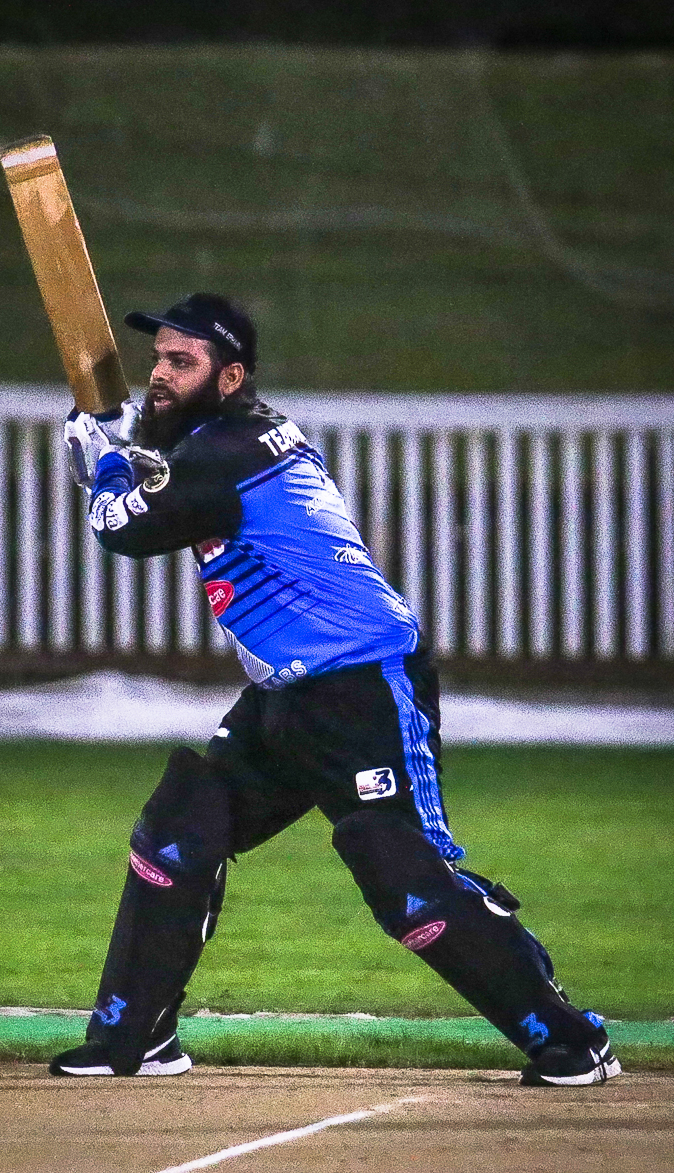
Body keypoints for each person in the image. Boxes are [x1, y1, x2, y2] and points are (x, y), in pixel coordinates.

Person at [52, 293, 620, 1087]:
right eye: (158, 360)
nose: (160, 374)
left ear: (230, 376)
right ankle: (134, 1038)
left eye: (182, 361)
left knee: (400, 871)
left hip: (364, 684)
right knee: (183, 823)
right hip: (285, 696)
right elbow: (172, 476)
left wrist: (106, 464)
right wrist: (131, 447)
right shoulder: (230, 438)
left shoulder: (229, 451)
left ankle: (573, 1041)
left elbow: (124, 528)